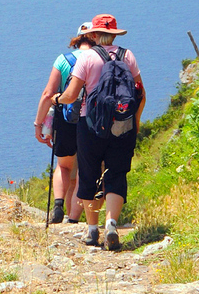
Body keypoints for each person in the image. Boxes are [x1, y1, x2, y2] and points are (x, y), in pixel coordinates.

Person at [52, 14, 145, 250]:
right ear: (114, 34)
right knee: (116, 173)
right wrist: (135, 119)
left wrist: (57, 99)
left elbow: (71, 95)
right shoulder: (128, 55)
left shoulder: (87, 57)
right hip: (123, 124)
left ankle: (93, 231)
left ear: (93, 35)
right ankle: (111, 224)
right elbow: (141, 92)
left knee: (90, 173)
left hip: (90, 125)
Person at [34, 22, 96, 224]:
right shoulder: (100, 59)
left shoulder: (63, 60)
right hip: (92, 120)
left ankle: (58, 205)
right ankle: (74, 219)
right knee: (84, 171)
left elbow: (48, 94)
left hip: (66, 119)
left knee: (63, 167)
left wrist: (39, 124)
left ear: (77, 39)